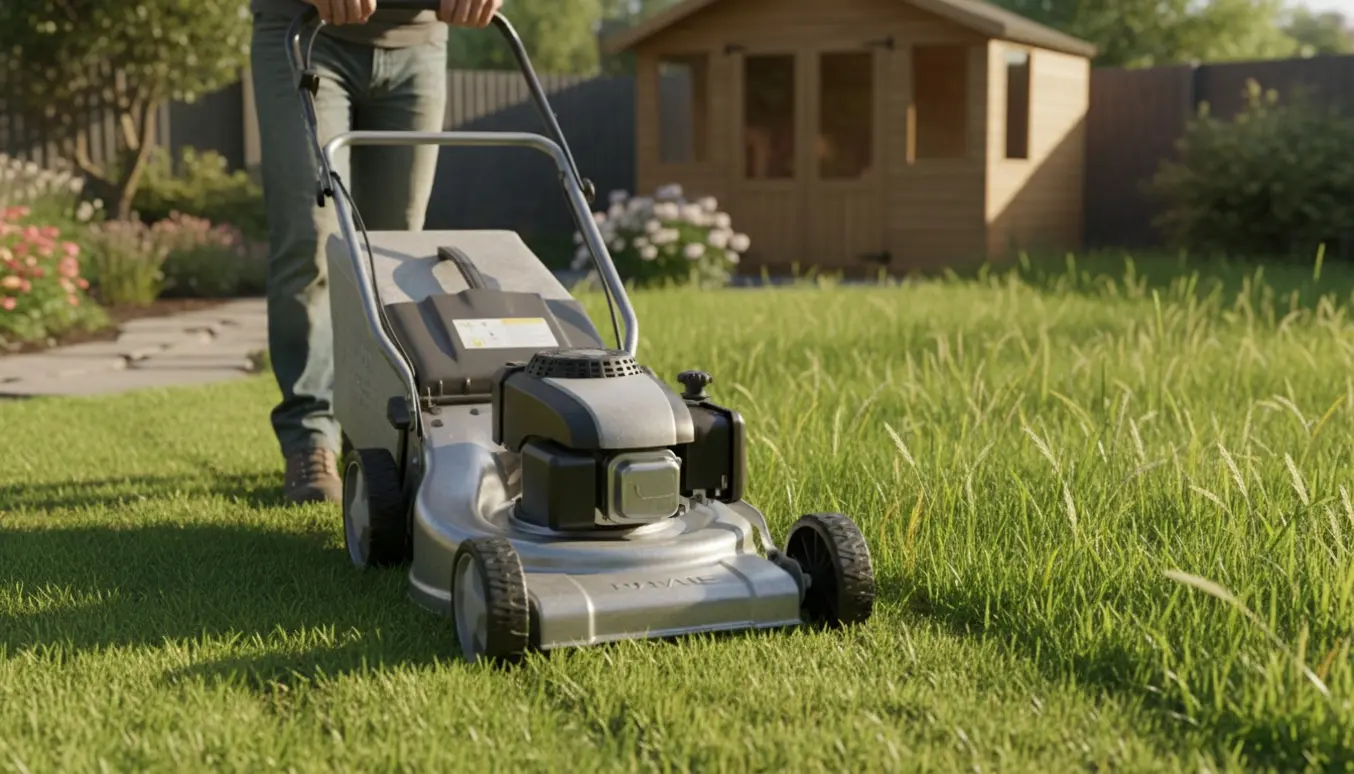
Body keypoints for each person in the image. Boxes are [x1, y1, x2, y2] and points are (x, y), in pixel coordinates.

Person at [249, 0, 501, 503]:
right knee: (310, 239)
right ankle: (310, 438)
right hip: (306, 34)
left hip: (419, 41)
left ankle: (380, 435)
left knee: (393, 258)